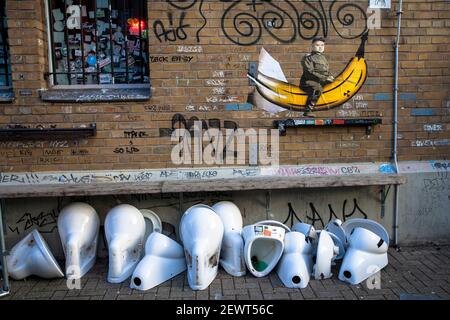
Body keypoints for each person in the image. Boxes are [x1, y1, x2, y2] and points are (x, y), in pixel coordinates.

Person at [300, 37, 335, 117]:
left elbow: (326, 71)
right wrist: (325, 78)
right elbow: (309, 72)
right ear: (312, 46)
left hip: (321, 80)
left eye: (322, 45)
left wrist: (331, 76)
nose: (320, 47)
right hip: (308, 81)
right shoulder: (308, 58)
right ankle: (308, 110)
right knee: (317, 87)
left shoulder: (323, 58)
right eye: (317, 45)